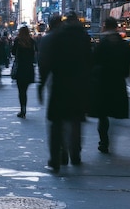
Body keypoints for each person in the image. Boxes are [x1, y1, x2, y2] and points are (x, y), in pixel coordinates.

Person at [38, 11, 92, 173]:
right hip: (79, 84)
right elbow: (90, 61)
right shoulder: (83, 37)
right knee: (75, 120)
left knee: (56, 123)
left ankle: (57, 158)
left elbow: (45, 62)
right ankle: (75, 153)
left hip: (59, 84)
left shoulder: (54, 37)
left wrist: (42, 84)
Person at [89, 17, 130, 154]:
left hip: (103, 83)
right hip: (118, 82)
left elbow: (94, 62)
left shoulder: (102, 44)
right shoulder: (124, 44)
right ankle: (108, 140)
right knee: (114, 112)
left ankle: (104, 142)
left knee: (103, 115)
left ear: (105, 26)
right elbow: (129, 63)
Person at [11, 25, 37, 118]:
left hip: (20, 68)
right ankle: (24, 108)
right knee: (25, 90)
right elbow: (35, 54)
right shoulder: (32, 41)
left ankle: (23, 109)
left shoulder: (18, 41)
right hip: (29, 68)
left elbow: (13, 52)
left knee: (21, 91)